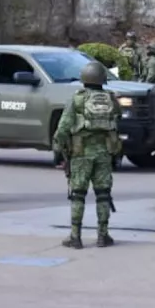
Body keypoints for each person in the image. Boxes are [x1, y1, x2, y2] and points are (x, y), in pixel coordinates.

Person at [53, 61, 121, 249]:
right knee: (103, 195)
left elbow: (63, 128)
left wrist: (58, 150)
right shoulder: (110, 98)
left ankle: (75, 236)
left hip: (81, 153)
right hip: (104, 154)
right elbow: (117, 119)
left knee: (78, 195)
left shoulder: (77, 99)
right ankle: (103, 235)